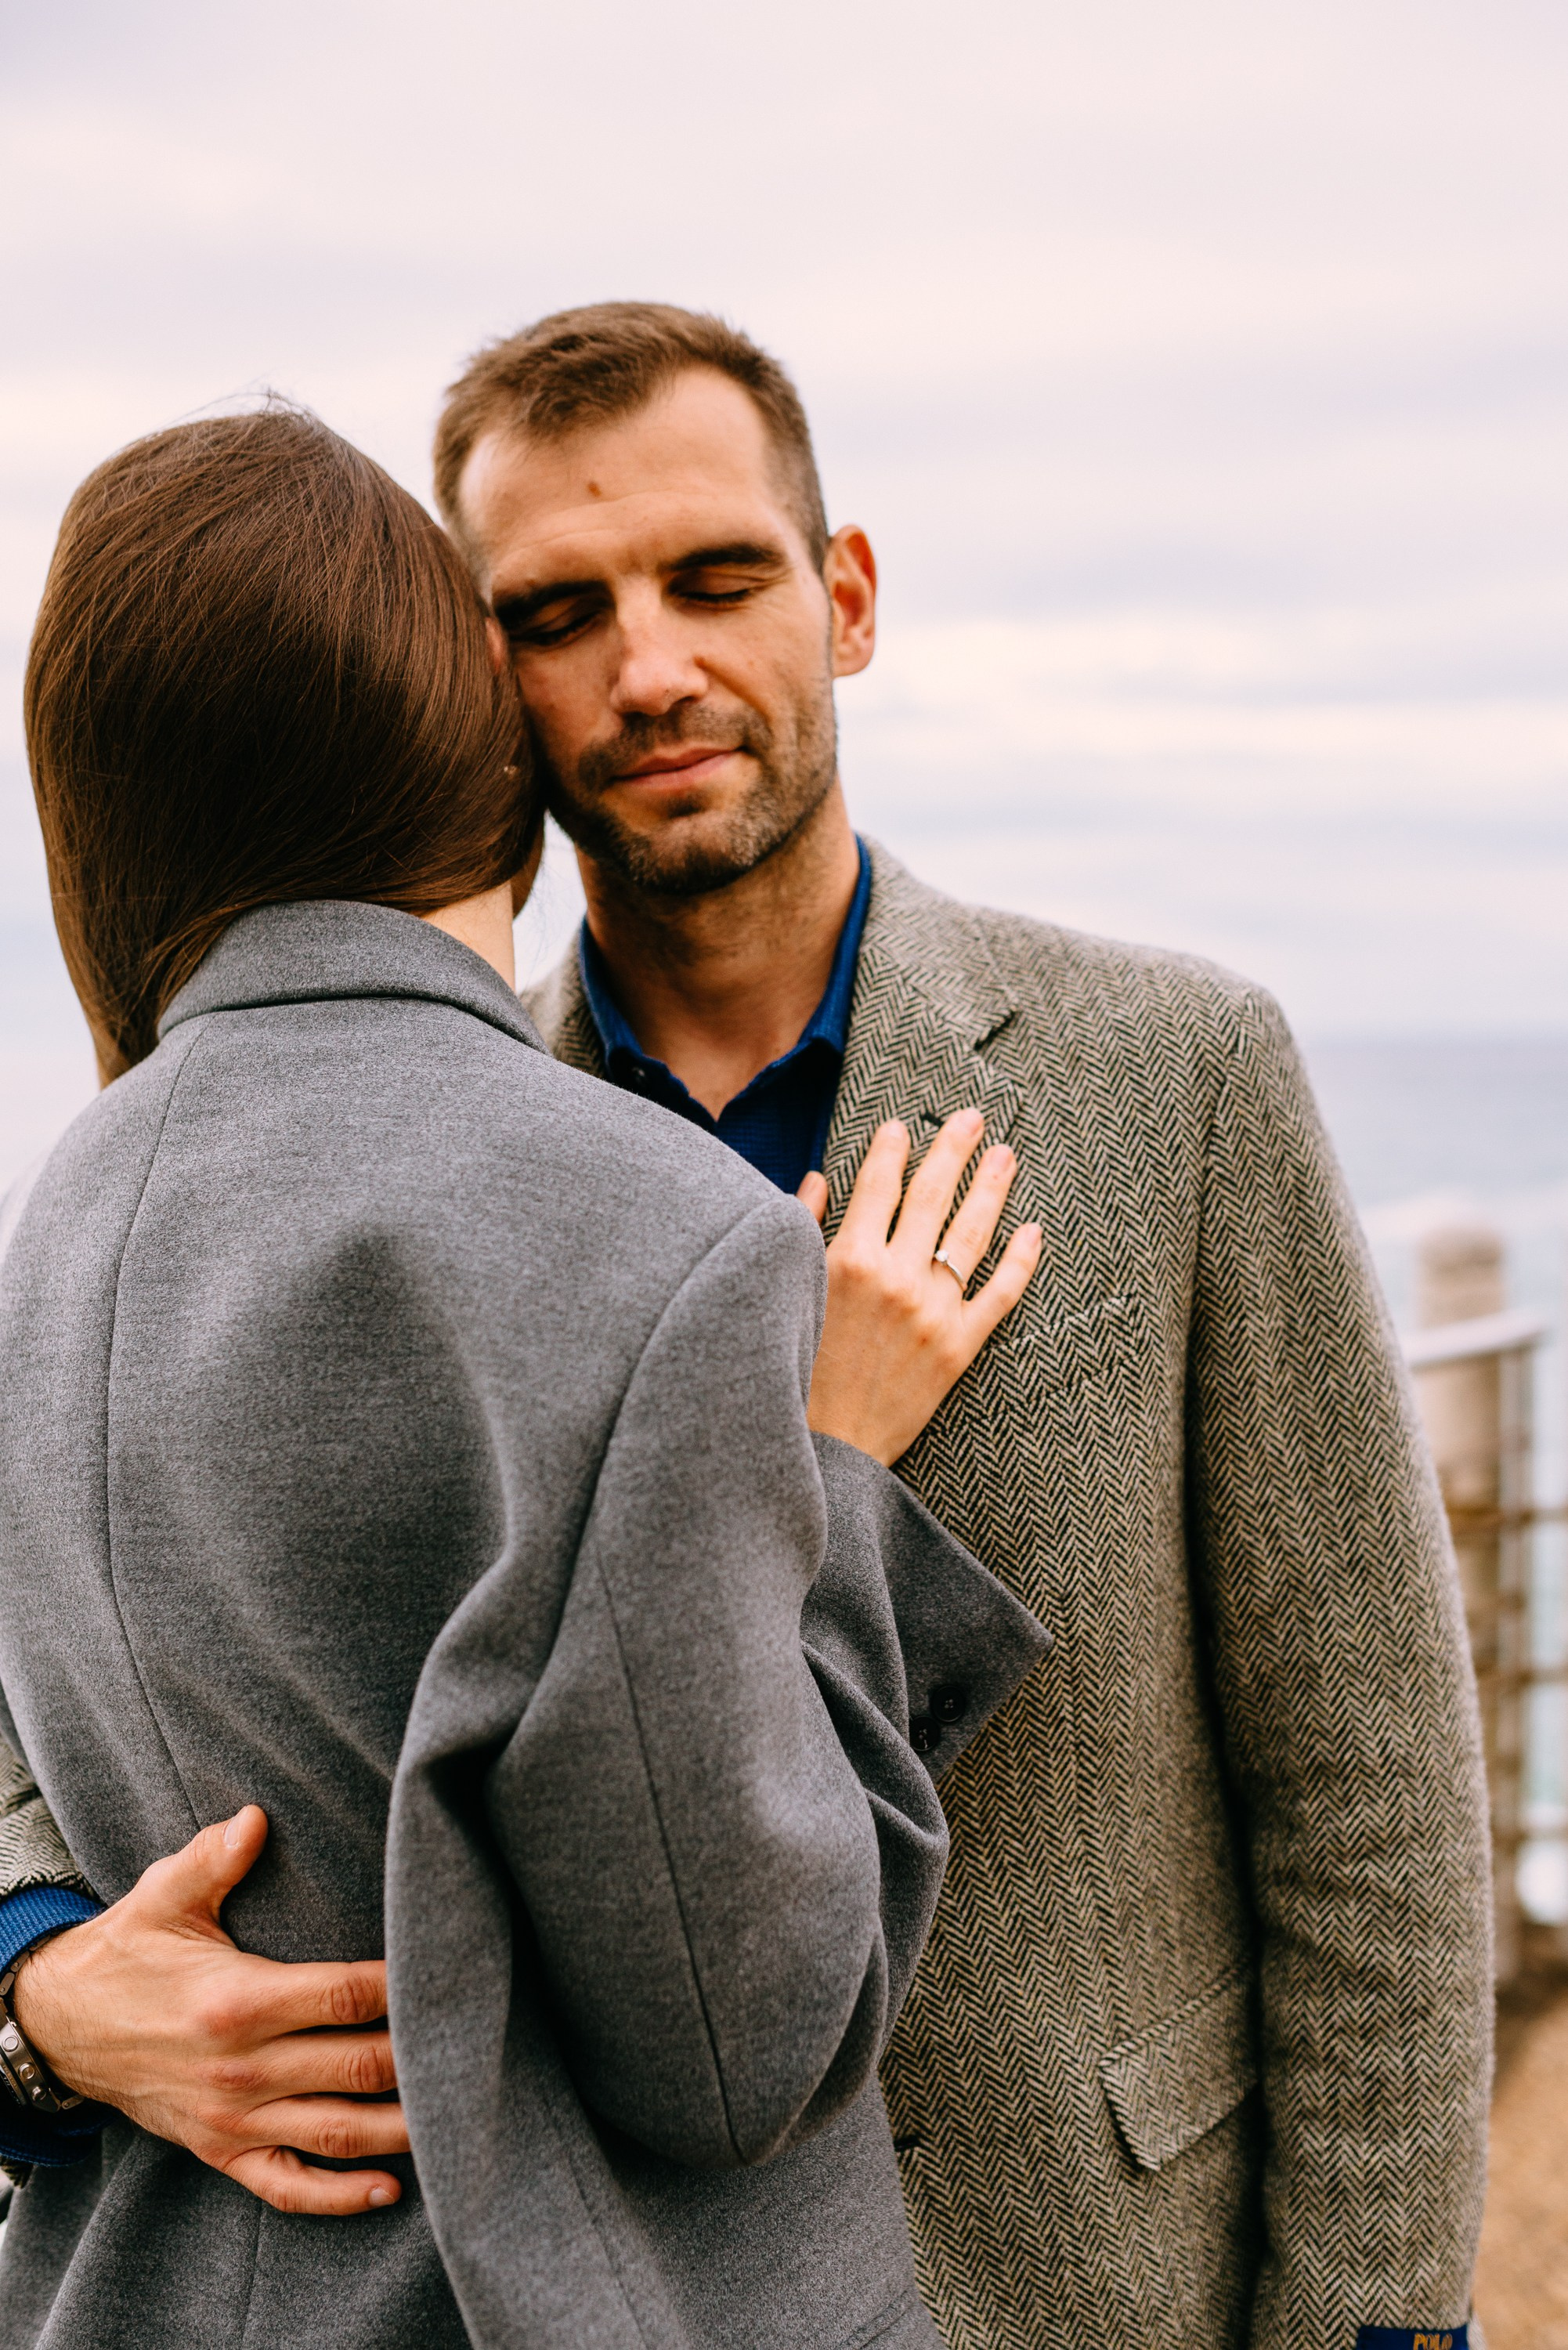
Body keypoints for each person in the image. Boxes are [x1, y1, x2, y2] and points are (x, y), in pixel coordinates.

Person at [3, 304, 1494, 2348]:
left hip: (1109, 2289)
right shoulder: (420, 1170)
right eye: (556, 612)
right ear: (474, 688)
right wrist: (40, 1987)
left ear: (845, 596)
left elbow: (1369, 1786)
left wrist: (1383, 2330)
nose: (652, 668)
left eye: (715, 579)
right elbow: (90, 1690)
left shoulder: (1179, 1073)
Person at [0, 404, 1049, 2350]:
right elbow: (738, 2055)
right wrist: (820, 1475)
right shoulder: (652, 1232)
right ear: (481, 751)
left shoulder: (55, 1229)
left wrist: (33, 1990)